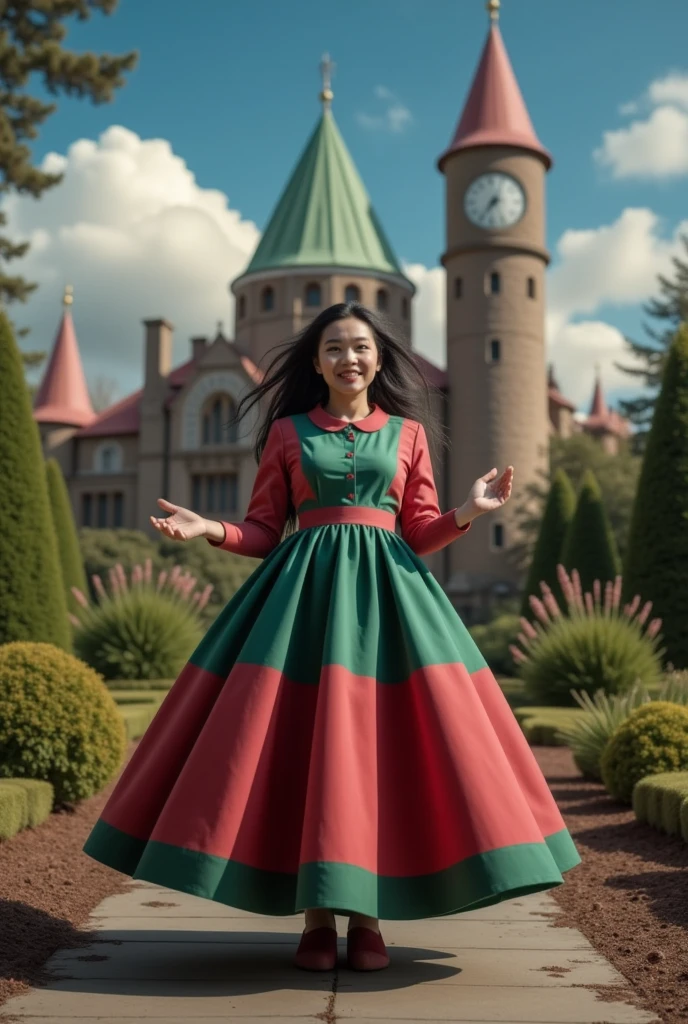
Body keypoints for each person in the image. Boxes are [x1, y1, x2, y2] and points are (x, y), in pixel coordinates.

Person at [82, 301, 581, 973]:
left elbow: (418, 527)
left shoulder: (407, 435)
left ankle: (369, 921)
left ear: (379, 359)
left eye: (361, 347)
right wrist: (210, 529)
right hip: (303, 606)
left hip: (391, 605)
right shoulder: (287, 434)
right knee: (310, 749)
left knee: (378, 751)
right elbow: (264, 530)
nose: (350, 357)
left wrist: (468, 513)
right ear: (316, 363)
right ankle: (317, 920)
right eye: (336, 348)